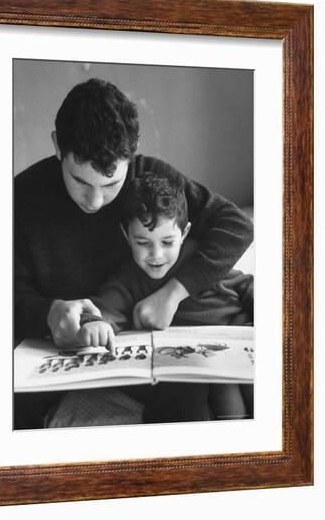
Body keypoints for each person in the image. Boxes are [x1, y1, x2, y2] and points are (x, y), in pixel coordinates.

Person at [14, 78, 253, 428]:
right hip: (67, 348)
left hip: (159, 352)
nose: (94, 201)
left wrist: (173, 294)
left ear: (134, 150)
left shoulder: (150, 179)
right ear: (57, 146)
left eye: (110, 184)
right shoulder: (20, 197)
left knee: (196, 395)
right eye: (79, 181)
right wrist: (46, 312)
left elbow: (236, 225)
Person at [78, 172, 253, 422]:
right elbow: (103, 310)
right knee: (193, 399)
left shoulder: (202, 263)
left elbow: (248, 286)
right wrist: (93, 323)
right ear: (126, 236)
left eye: (168, 242)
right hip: (190, 370)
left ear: (184, 233)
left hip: (236, 343)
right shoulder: (128, 279)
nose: (156, 255)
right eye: (143, 242)